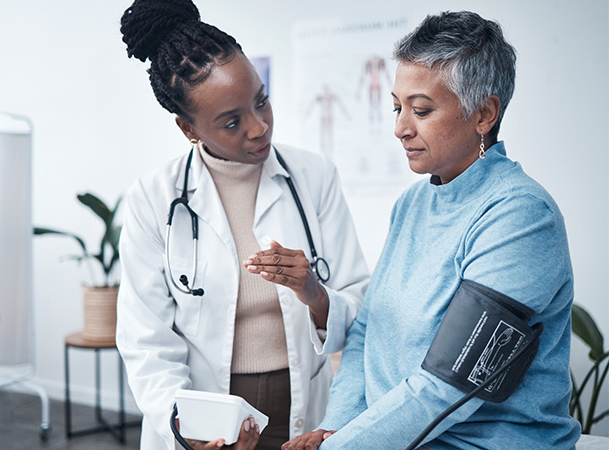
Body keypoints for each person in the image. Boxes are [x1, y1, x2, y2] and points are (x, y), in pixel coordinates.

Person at [285, 11, 579, 450]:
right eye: (397, 107)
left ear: (484, 114)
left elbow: (451, 382)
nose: (401, 128)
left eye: (421, 110)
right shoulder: (412, 204)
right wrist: (337, 427)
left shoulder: (520, 217)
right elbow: (368, 331)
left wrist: (341, 447)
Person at [114, 0, 374, 448]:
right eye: (232, 121)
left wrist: (314, 293)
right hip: (204, 413)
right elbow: (146, 341)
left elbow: (360, 306)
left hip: (302, 409)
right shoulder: (153, 200)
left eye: (262, 101)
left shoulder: (314, 176)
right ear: (187, 128)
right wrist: (183, 425)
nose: (259, 129)